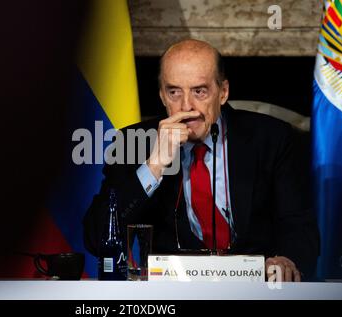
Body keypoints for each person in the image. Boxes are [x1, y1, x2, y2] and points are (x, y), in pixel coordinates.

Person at [83, 39, 319, 281]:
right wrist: (154, 165)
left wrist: (287, 260)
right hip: (170, 294)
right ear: (162, 96)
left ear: (223, 92)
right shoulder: (133, 142)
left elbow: (299, 226)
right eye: (174, 92)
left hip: (256, 289)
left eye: (199, 91)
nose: (187, 106)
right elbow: (95, 239)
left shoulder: (272, 138)